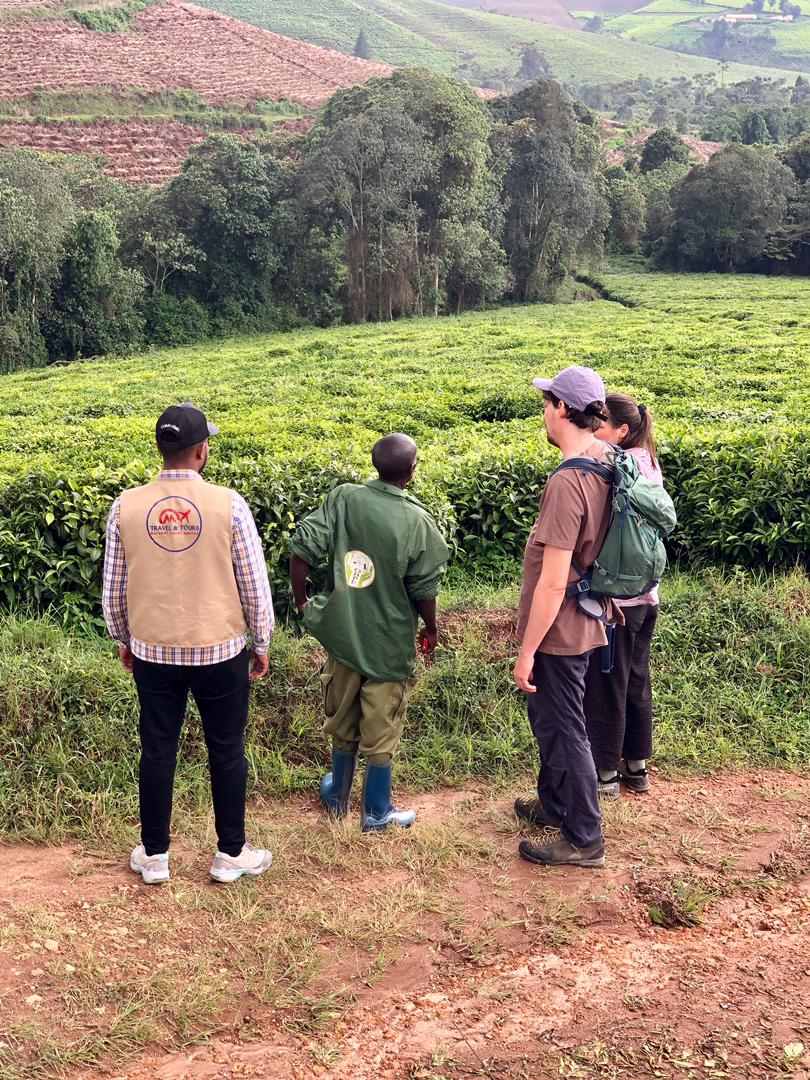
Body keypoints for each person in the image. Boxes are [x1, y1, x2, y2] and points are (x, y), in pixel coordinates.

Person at [102, 402, 275, 885]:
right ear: (201, 451)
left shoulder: (126, 505)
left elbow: (114, 587)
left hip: (153, 650)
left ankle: (155, 856)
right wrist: (260, 642)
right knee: (226, 749)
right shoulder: (229, 504)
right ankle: (230, 854)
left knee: (157, 748)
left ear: (162, 448)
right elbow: (253, 584)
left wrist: (125, 638)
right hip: (220, 650)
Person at [289, 433, 449, 832]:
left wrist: (303, 604)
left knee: (341, 713)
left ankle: (339, 798)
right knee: (382, 721)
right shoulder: (419, 522)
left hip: (343, 635)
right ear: (411, 472)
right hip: (388, 643)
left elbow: (301, 548)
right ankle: (377, 811)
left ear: (375, 464)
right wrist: (431, 628)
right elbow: (424, 590)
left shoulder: (344, 497)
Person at [512, 366, 623, 869]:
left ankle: (584, 838)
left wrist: (527, 649)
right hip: (587, 617)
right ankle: (554, 805)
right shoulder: (604, 462)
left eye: (547, 402)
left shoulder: (568, 481)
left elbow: (554, 580)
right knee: (553, 723)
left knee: (566, 728)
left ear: (561, 408)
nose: (544, 411)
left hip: (561, 628)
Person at [585, 393, 664, 798]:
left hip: (618, 601)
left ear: (622, 431)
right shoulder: (650, 463)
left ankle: (605, 776)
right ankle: (637, 768)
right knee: (636, 679)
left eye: (600, 425)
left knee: (607, 684)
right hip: (648, 598)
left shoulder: (615, 464)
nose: (593, 431)